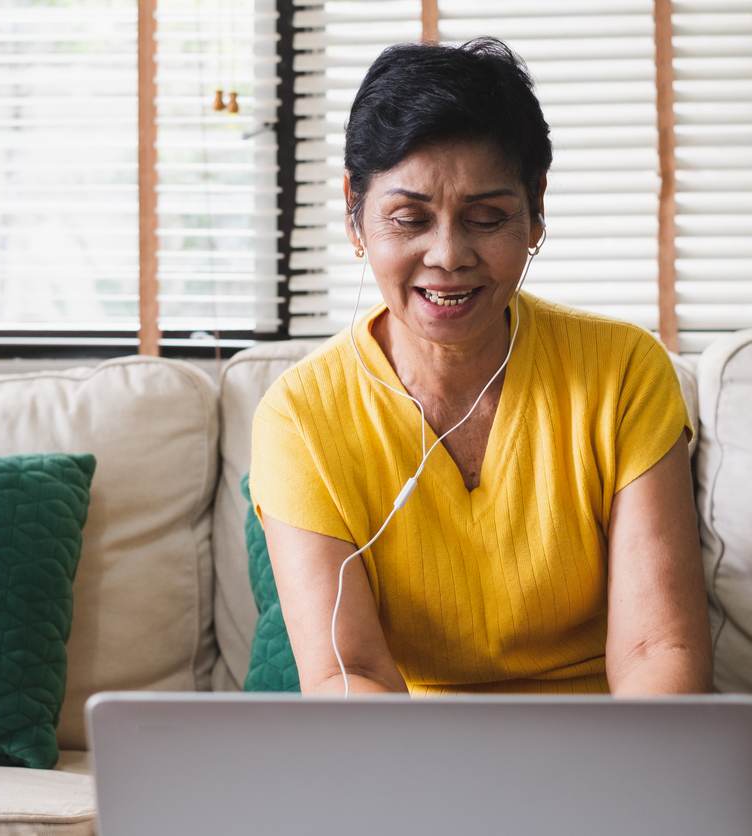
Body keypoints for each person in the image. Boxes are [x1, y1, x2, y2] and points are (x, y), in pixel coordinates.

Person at [249, 38, 711, 697]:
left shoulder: (623, 372)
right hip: (412, 759)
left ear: (535, 209)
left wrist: (620, 783)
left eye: (486, 217)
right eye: (409, 218)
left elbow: (657, 650)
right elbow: (348, 673)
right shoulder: (299, 417)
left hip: (606, 751)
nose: (449, 255)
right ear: (355, 211)